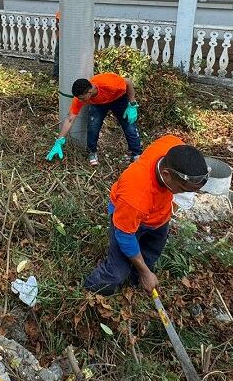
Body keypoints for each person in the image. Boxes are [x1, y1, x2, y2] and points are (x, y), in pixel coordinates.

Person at [84, 135, 209, 295]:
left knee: (150, 253)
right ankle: (91, 289)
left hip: (158, 217)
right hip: (129, 220)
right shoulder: (135, 196)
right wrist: (145, 272)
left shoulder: (172, 145)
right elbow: (125, 236)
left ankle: (137, 280)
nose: (184, 194)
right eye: (183, 189)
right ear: (166, 174)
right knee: (116, 274)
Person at [46, 72, 141, 166]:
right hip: (98, 104)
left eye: (82, 98)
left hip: (118, 98)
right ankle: (92, 152)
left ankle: (136, 154)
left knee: (129, 124)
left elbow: (128, 82)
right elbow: (70, 119)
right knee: (93, 127)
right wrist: (58, 141)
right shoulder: (79, 98)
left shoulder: (109, 84)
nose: (80, 101)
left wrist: (132, 103)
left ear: (89, 92)